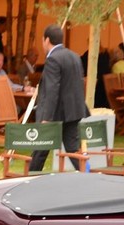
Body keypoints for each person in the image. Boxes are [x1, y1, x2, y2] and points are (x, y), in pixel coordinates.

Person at [29, 24, 88, 172]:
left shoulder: (53, 59)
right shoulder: (75, 56)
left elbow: (52, 89)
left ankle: (30, 177)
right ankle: (89, 174)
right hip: (74, 111)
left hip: (56, 113)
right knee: (72, 150)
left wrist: (46, 117)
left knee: (40, 148)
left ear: (47, 40)